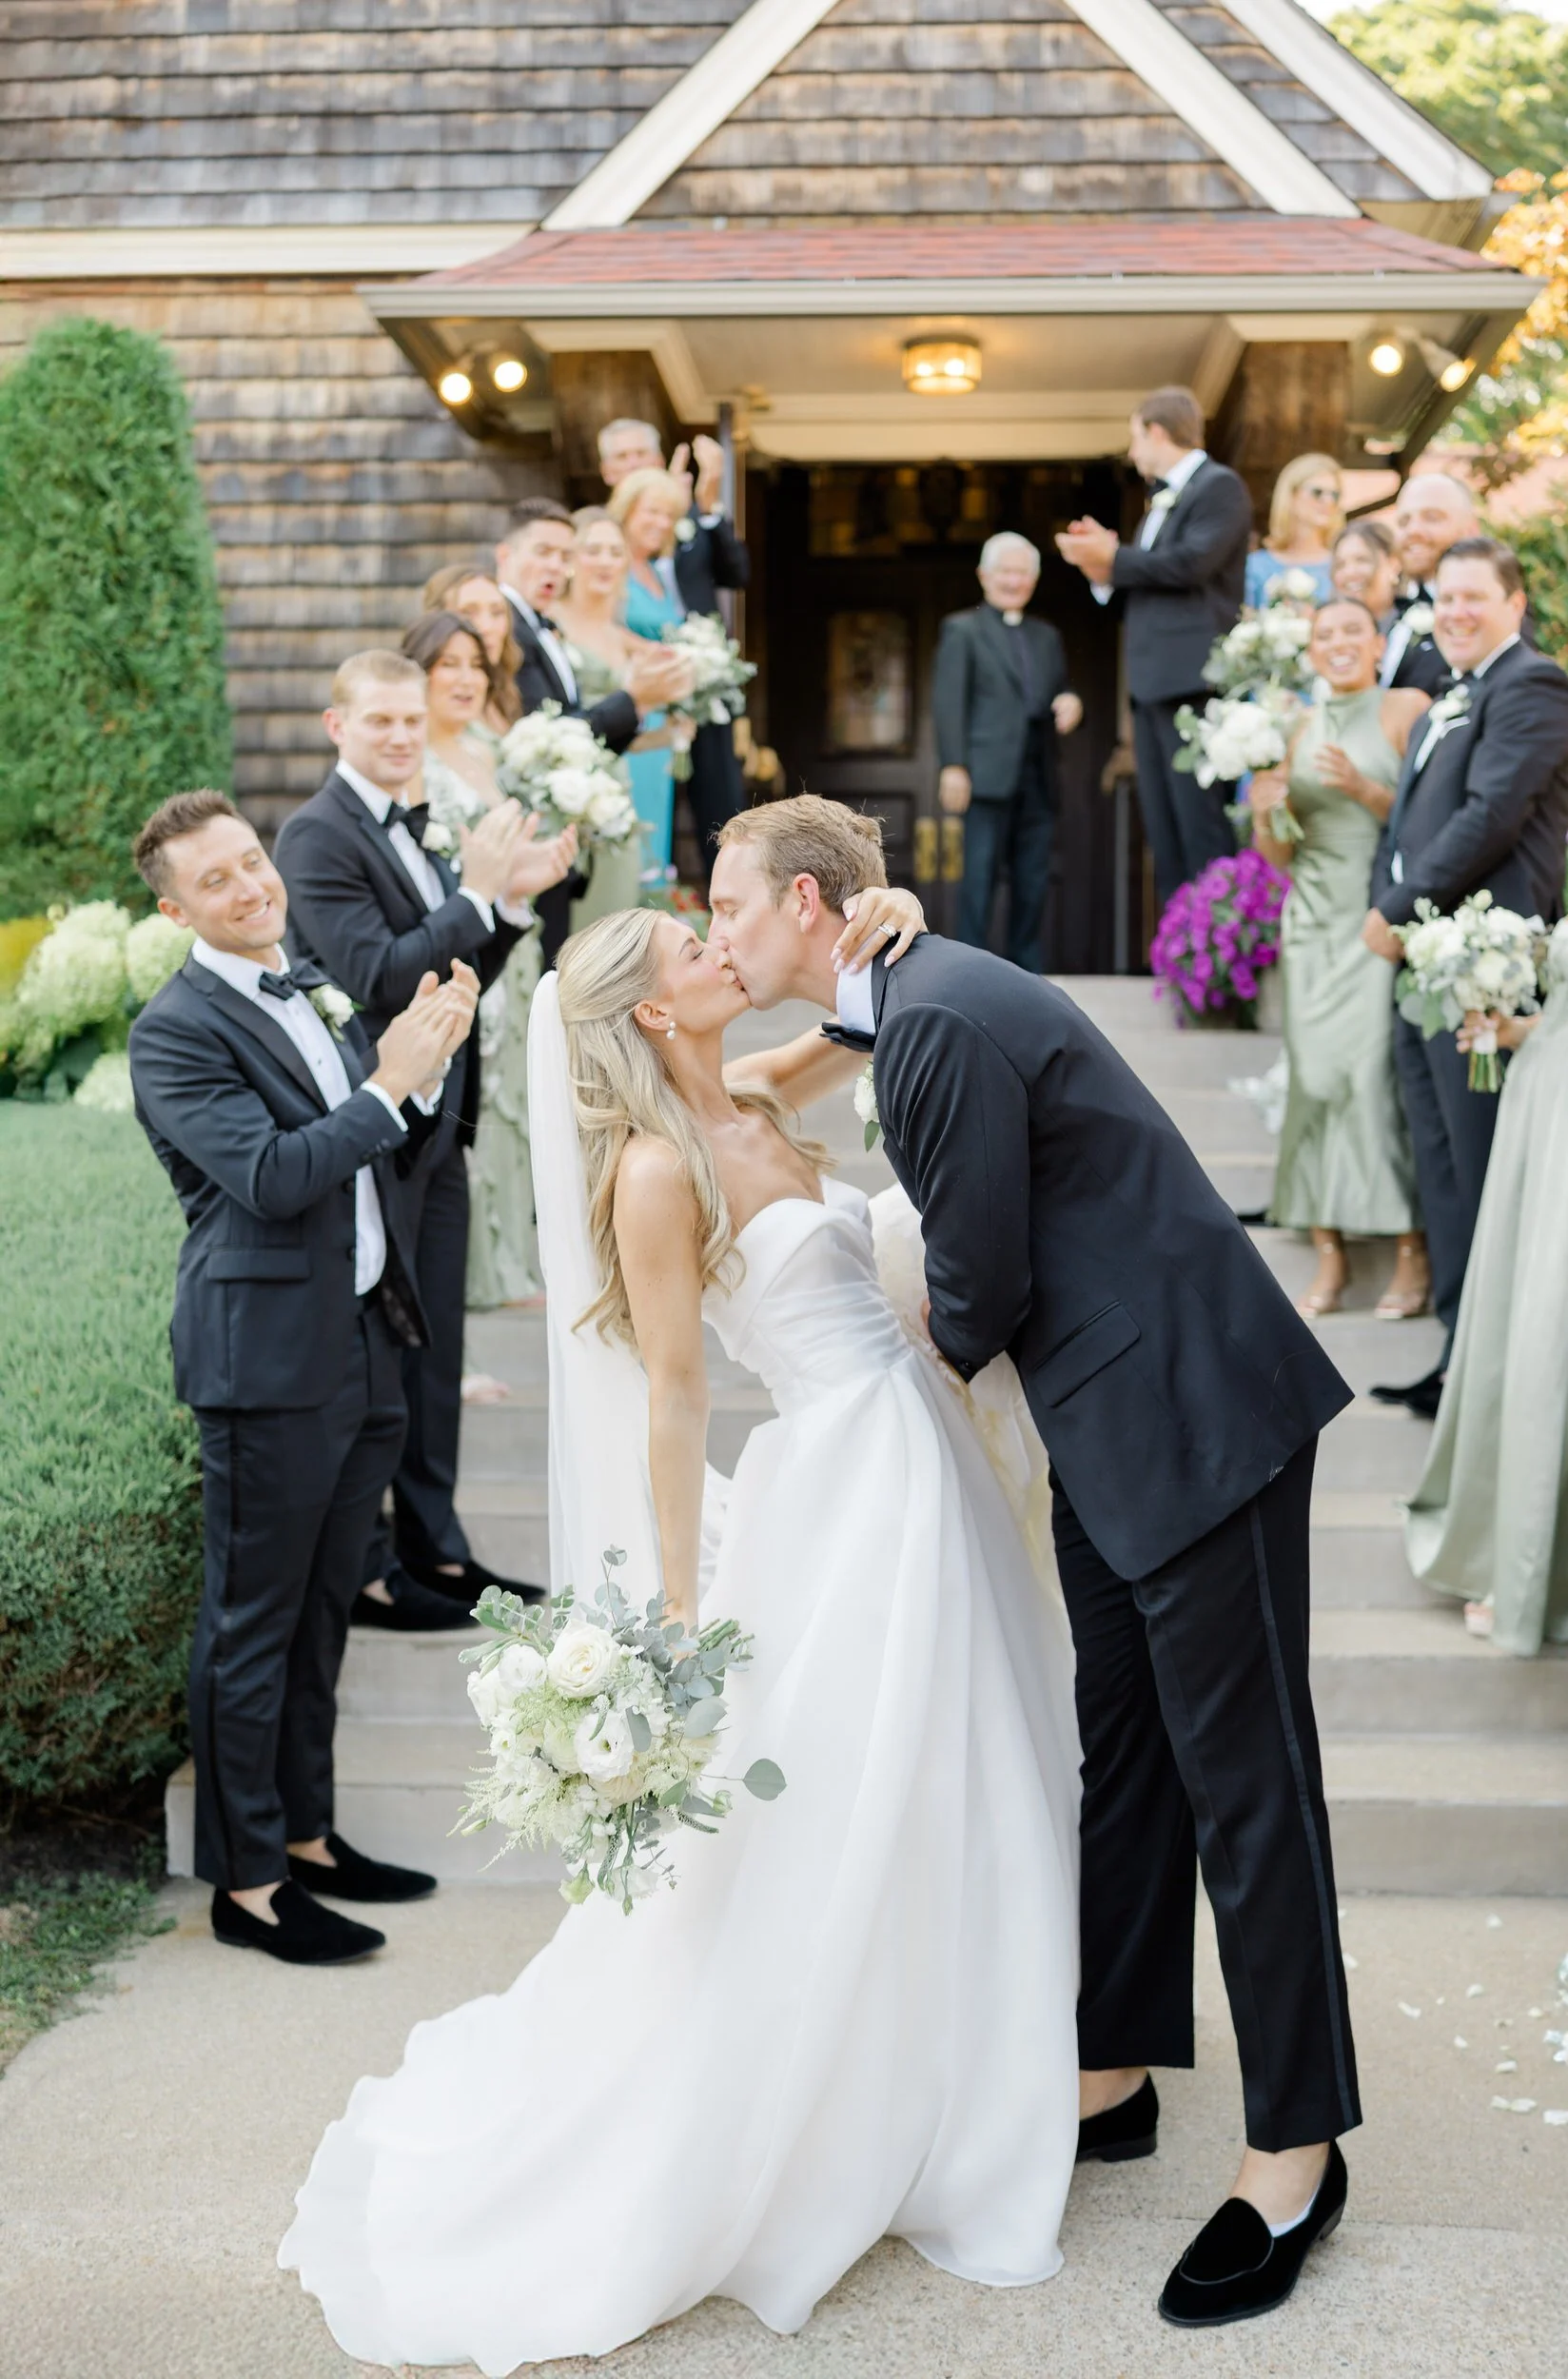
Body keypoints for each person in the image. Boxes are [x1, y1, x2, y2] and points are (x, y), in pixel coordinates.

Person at [278, 879, 1086, 2369]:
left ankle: (973, 2062)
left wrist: (879, 919)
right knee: (869, 1785)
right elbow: (673, 1390)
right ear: (654, 1009)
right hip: (842, 1486)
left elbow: (873, 1018)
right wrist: (675, 1593)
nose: (721, 948)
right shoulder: (652, 1170)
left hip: (922, 1449)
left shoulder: (760, 1085)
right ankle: (869, 2095)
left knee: (973, 1758)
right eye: (691, 947)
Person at [708, 797, 1357, 2323]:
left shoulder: (928, 1013)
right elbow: (903, 1073)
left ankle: (1296, 2152)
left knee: (1244, 1785)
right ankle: (1112, 2067)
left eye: (728, 905)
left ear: (808, 903)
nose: (714, 930)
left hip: (1192, 1418)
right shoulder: (910, 998)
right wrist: (808, 1046)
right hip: (1106, 1424)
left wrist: (883, 1356)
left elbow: (977, 1287)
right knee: (1119, 1756)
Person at [127, 790, 480, 1962]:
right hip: (266, 1365)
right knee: (253, 1624)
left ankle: (312, 1836)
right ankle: (248, 1884)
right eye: (215, 881)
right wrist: (389, 1081)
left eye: (250, 862)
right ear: (176, 907)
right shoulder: (174, 1031)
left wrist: (417, 1075)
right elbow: (277, 1176)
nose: (248, 886)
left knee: (328, 1610)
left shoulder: (308, 976)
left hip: (362, 1342)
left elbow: (375, 1145)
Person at [273, 650, 577, 1621]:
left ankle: (437, 1548)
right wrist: (475, 897)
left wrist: (511, 899)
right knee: (384, 1351)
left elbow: (460, 958)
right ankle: (369, 1568)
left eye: (411, 721)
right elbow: (375, 972)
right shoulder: (316, 835)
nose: (401, 736)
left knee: (437, 1346)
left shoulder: (417, 822)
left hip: (440, 1116)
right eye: (380, 723)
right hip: (378, 1116)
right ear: (338, 727)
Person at [1364, 537, 1568, 1420]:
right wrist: (1386, 895)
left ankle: (1493, 1371)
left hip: (1483, 966)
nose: (1453, 611)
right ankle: (1457, 1357)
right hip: (1425, 962)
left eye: (1472, 598)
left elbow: (1493, 815)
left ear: (1513, 600)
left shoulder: (1530, 686)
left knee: (1482, 1165)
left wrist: (1401, 903)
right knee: (1440, 1165)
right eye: (1442, 598)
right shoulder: (1446, 698)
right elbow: (1411, 822)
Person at [1402, 883, 1568, 1654]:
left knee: (1558, 1337)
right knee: (1524, 1325)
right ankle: (1508, 1549)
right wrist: (1517, 1028)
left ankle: (1541, 1575)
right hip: (1544, 1101)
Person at [1246, 597, 1431, 1319]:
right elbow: (1279, 854)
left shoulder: (1404, 707)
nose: (1339, 643)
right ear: (1313, 650)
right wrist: (1265, 810)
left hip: (1373, 919)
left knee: (1371, 1082)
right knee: (1315, 1083)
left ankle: (1409, 1255)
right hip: (1311, 924)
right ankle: (1329, 1254)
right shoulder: (1299, 724)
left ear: (1377, 640)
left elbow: (1426, 818)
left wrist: (1362, 788)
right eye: (1326, 635)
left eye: (1352, 630)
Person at [401, 609, 554, 1311]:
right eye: (446, 667)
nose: (464, 680)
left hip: (511, 941)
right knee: (478, 1100)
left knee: (516, 1100)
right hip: (461, 947)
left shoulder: (490, 749)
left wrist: (542, 865)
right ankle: (475, 1278)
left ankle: (511, 1265)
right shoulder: (411, 768)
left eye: (473, 666)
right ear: (416, 676)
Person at [1056, 386, 1251, 897]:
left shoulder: (1219, 486)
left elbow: (1192, 563)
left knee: (1199, 822)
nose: (1134, 451)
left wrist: (1113, 555)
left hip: (1193, 682)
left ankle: (1218, 953)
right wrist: (1101, 569)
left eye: (1137, 437)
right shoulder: (1157, 504)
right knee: (1163, 829)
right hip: (1150, 687)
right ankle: (1181, 956)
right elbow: (1143, 588)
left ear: (1159, 432)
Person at [495, 496, 691, 958]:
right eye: (545, 552)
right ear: (507, 555)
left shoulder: (546, 630)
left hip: (599, 791)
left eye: (564, 556)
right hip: (548, 812)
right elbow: (547, 734)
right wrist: (635, 699)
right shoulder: (513, 631)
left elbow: (574, 727)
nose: (557, 567)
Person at [598, 418, 752, 859]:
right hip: (640, 707)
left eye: (640, 454)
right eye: (621, 457)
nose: (660, 521)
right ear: (608, 473)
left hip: (690, 704)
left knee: (716, 807)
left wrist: (706, 502)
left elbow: (734, 574)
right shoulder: (605, 554)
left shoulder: (676, 541)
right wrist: (658, 654)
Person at [932, 531, 1083, 970]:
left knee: (1032, 880)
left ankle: (1026, 971)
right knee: (978, 878)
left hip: (1038, 772)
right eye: (1006, 572)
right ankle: (970, 970)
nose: (1014, 581)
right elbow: (949, 701)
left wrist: (1072, 701)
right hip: (985, 772)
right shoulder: (962, 629)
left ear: (1034, 580)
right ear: (984, 576)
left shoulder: (1047, 636)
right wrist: (954, 764)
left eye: (1023, 573)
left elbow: (1058, 691)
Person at [551, 505, 652, 925]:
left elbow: (630, 720)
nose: (606, 561)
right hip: (563, 786)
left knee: (614, 914)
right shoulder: (550, 625)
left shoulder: (623, 638)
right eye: (593, 549)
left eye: (615, 551)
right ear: (570, 559)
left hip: (616, 788)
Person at [608, 464, 693, 878]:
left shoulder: (659, 575)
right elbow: (598, 630)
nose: (661, 524)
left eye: (669, 516)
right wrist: (656, 652)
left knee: (656, 823)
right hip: (630, 711)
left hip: (662, 721)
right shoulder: (613, 569)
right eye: (652, 511)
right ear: (626, 510)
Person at [1379, 471, 1480, 693]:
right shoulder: (1388, 611)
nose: (1413, 531)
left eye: (1432, 518)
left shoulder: (1491, 612)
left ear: (1471, 531)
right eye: (1404, 522)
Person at [420, 563, 521, 733]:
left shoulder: (505, 691)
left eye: (497, 612)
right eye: (468, 612)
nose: (487, 627)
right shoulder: (427, 702)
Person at [1245, 454, 1344, 610]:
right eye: (1317, 492)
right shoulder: (1256, 567)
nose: (1328, 501)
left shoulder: (1341, 566)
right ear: (1291, 495)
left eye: (1335, 495)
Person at [1330, 519, 1400, 629]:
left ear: (1393, 565)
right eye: (1340, 564)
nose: (1349, 572)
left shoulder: (1417, 628)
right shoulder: (1326, 634)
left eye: (1362, 560)